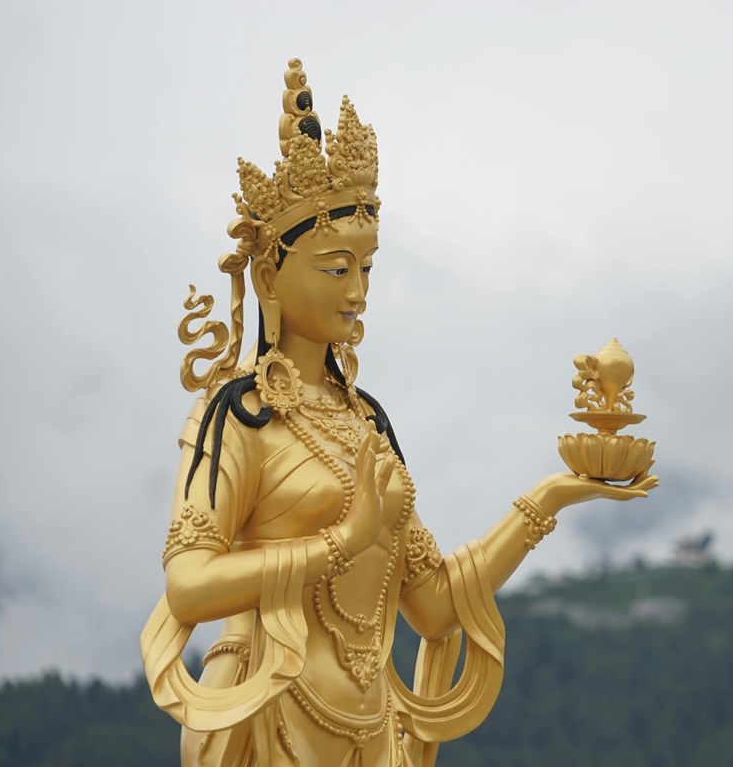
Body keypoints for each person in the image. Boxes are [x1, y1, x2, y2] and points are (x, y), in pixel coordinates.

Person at [140, 59, 658, 767]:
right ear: (269, 276)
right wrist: (338, 543)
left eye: (368, 267)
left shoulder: (365, 424)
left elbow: (434, 605)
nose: (357, 291)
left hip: (370, 729)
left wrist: (554, 496)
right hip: (266, 717)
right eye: (335, 267)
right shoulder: (237, 416)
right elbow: (189, 584)